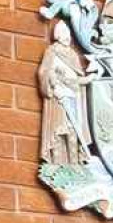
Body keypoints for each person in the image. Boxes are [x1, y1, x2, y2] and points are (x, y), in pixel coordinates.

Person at [37, 20, 93, 165]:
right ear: (58, 36)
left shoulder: (73, 55)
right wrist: (54, 83)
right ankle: (58, 164)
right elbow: (44, 71)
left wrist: (88, 79)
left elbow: (77, 78)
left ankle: (74, 164)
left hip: (73, 96)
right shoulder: (52, 51)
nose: (67, 37)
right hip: (59, 97)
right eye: (64, 34)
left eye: (68, 34)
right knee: (58, 130)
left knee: (73, 130)